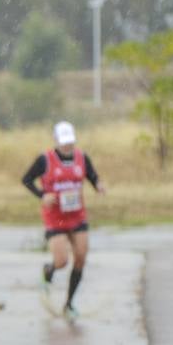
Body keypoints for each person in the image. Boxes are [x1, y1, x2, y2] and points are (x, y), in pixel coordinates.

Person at [21, 120, 106, 320]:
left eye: (70, 141)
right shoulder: (45, 160)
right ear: (56, 140)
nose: (68, 145)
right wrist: (42, 195)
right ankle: (48, 271)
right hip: (55, 218)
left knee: (81, 257)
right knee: (61, 261)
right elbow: (26, 180)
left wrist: (98, 185)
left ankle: (69, 304)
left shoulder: (82, 158)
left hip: (77, 216)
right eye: (64, 142)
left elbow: (92, 176)